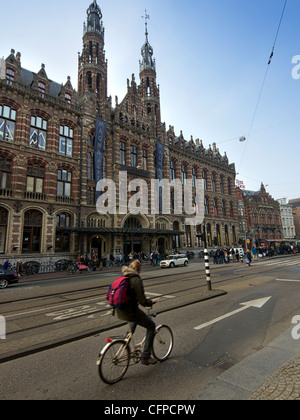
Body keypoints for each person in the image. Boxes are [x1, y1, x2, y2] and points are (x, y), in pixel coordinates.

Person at [116, 260, 157, 365]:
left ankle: (124, 345)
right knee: (151, 326)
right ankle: (146, 356)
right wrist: (150, 302)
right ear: (138, 269)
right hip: (131, 311)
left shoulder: (123, 277)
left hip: (121, 310)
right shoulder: (136, 280)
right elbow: (142, 301)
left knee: (131, 328)